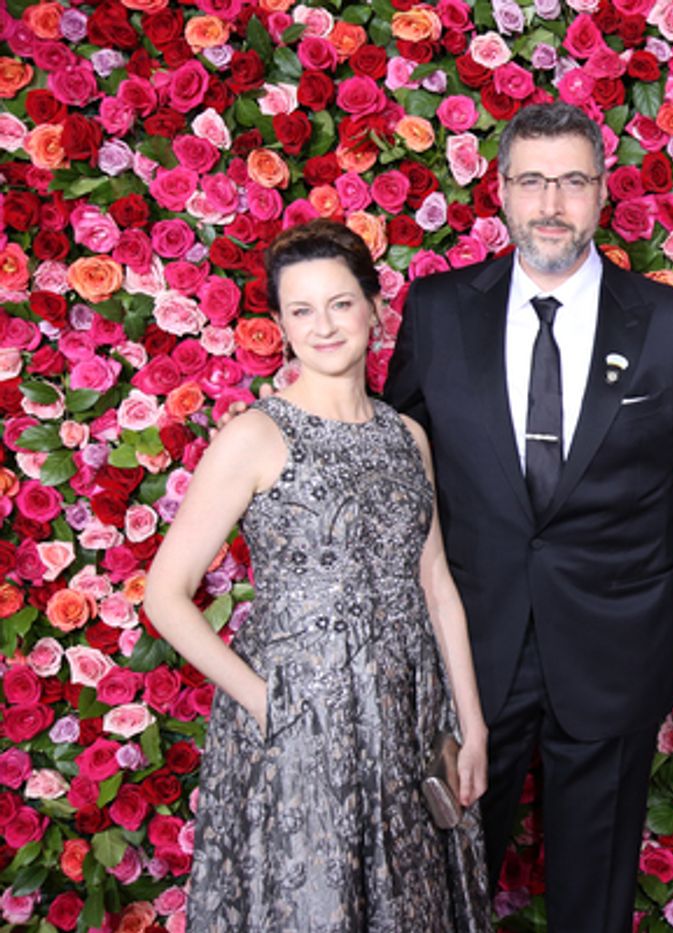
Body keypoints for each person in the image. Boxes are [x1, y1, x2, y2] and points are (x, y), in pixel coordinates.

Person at [382, 101, 673, 931]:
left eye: (572, 182)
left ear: (601, 193)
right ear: (501, 191)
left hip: (614, 655)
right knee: (445, 888)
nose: (551, 203)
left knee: (595, 901)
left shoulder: (672, 325)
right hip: (470, 655)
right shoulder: (440, 312)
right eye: (532, 181)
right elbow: (394, 472)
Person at [145, 220, 491, 932]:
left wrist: (472, 723)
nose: (323, 326)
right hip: (303, 724)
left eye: (339, 303)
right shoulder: (256, 435)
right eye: (300, 310)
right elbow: (164, 595)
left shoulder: (406, 435)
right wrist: (267, 703)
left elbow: (435, 583)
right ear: (280, 326)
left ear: (374, 307)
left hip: (407, 715)